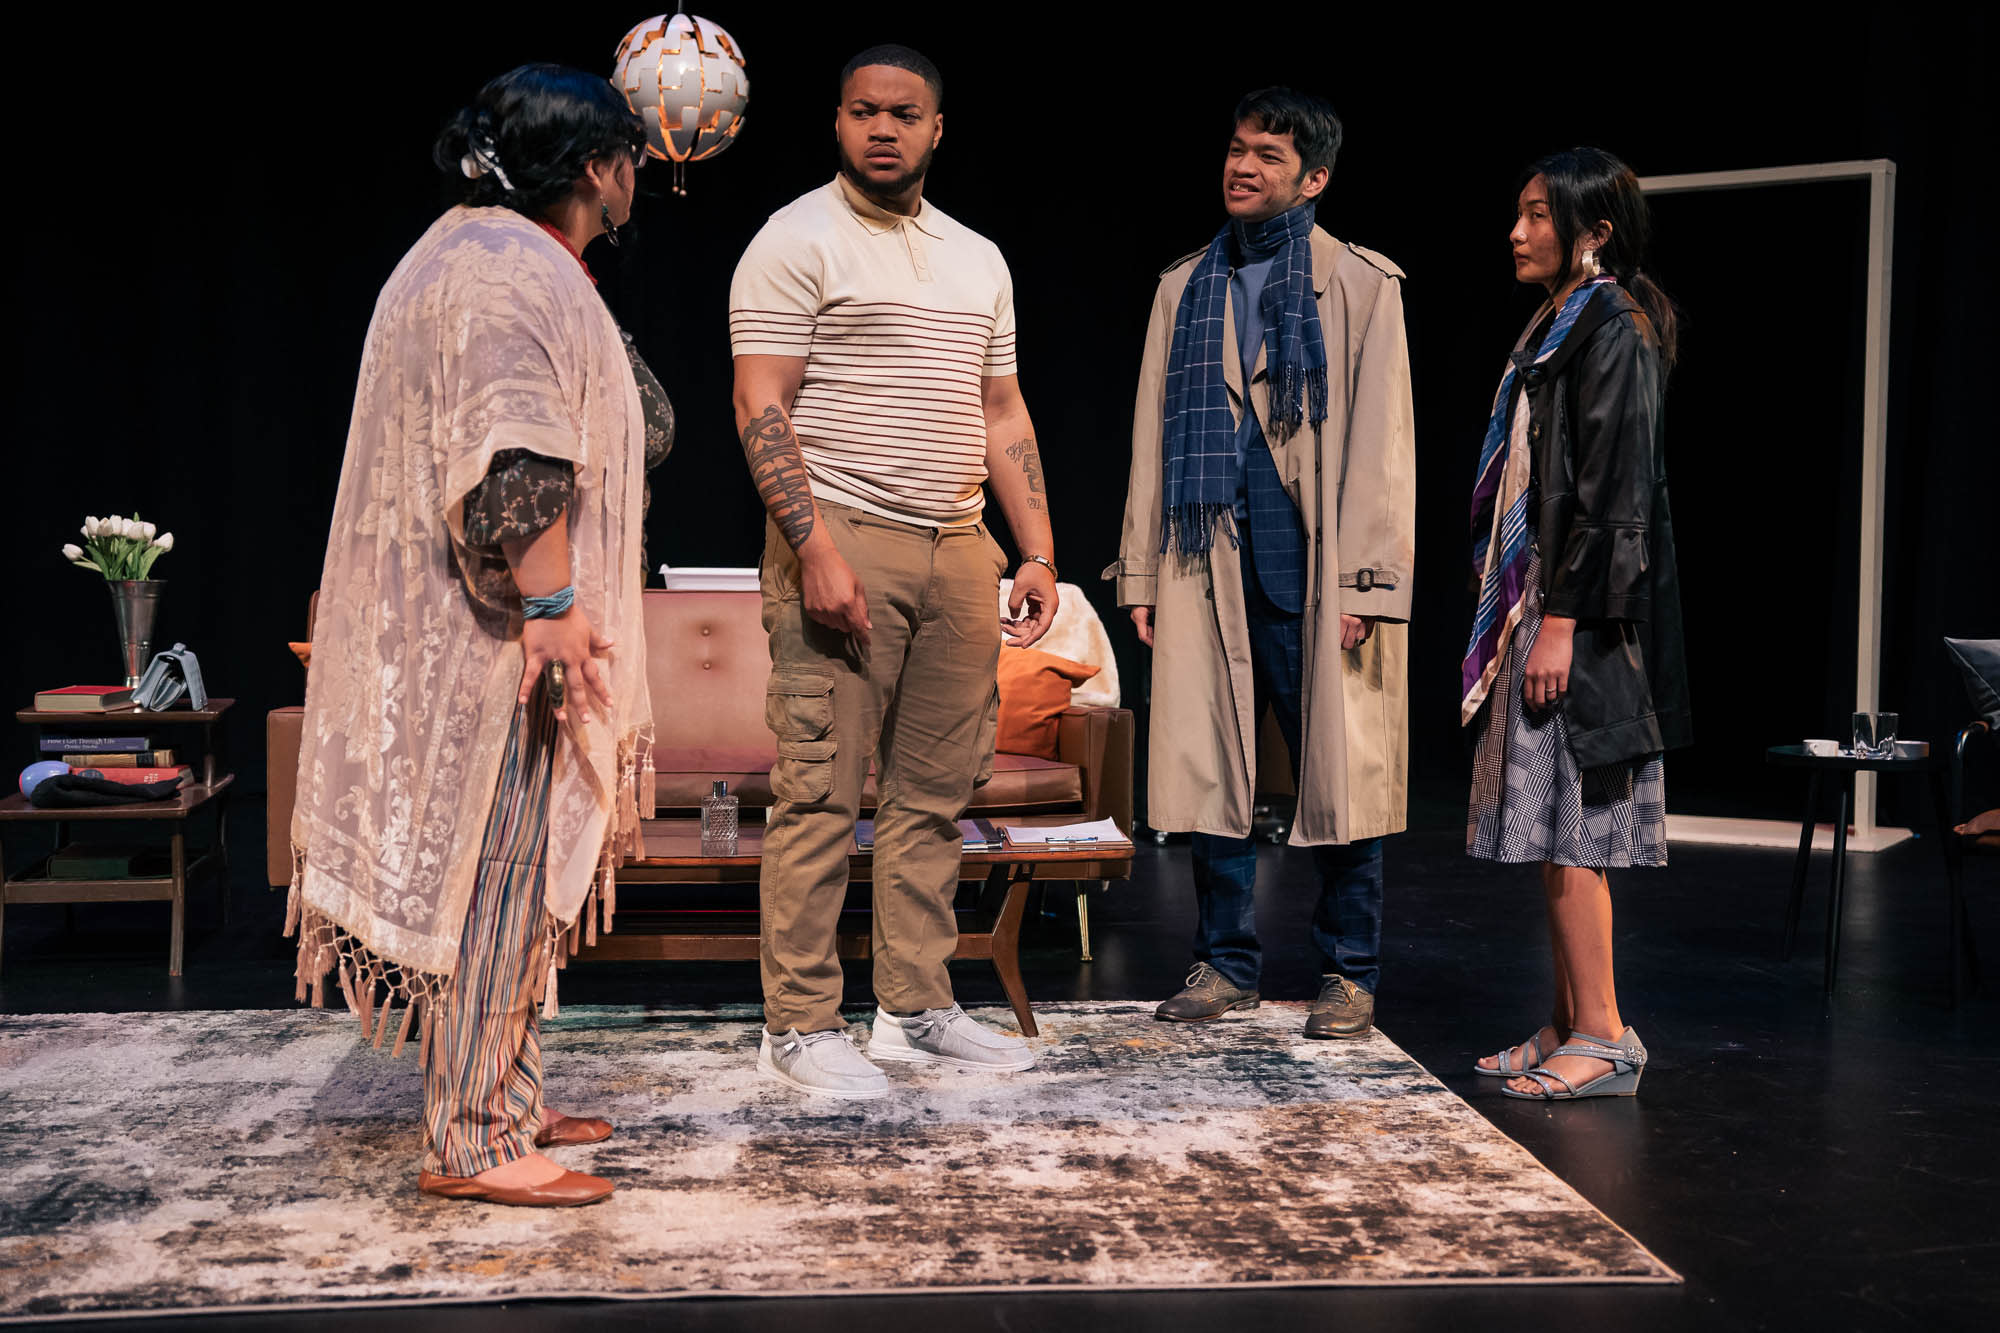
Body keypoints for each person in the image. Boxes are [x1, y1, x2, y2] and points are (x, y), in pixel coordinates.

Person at [290, 63, 668, 1204]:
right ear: (600, 168)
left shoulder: (476, 253)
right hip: (493, 640)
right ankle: (478, 1139)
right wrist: (551, 607)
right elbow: (511, 455)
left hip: (492, 629)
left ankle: (503, 1087)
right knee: (493, 874)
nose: (637, 179)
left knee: (505, 874)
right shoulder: (500, 270)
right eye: (632, 161)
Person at [728, 45, 1058, 1099]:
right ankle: (798, 1024)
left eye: (903, 114)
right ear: (835, 122)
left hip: (960, 544)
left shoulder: (977, 257)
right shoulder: (794, 239)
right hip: (844, 530)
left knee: (933, 795)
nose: (883, 129)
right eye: (864, 112)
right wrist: (813, 545)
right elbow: (759, 404)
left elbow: (1000, 409)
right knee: (820, 792)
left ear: (935, 129)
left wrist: (1037, 546)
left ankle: (912, 1007)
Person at [1110, 88, 1415, 1039]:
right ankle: (1225, 963)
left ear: (1313, 178)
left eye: (1269, 157)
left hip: (1314, 568)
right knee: (1211, 776)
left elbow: (1382, 442)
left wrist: (1368, 580)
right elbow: (1152, 444)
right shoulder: (1183, 285)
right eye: (1237, 150)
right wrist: (1142, 573)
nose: (1243, 167)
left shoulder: (1361, 285)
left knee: (1342, 779)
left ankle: (1349, 972)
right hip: (1207, 557)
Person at [1465, 147, 1690, 1102]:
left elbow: (1613, 497)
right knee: (1553, 826)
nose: (1518, 233)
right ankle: (1566, 1020)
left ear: (1593, 232)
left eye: (1538, 216)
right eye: (1518, 214)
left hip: (1586, 619)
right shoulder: (1562, 322)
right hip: (1545, 604)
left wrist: (1561, 618)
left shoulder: (1616, 329)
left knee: (1580, 831)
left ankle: (1603, 1034)